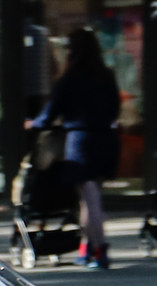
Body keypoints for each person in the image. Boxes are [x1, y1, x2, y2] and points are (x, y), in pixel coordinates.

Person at [29, 29, 123, 271]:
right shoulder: (106, 76)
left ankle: (100, 248)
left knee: (90, 200)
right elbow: (114, 109)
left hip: (81, 140)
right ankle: (85, 246)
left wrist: (34, 124)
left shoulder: (69, 79)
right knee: (89, 198)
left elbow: (51, 113)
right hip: (106, 138)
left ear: (72, 50)